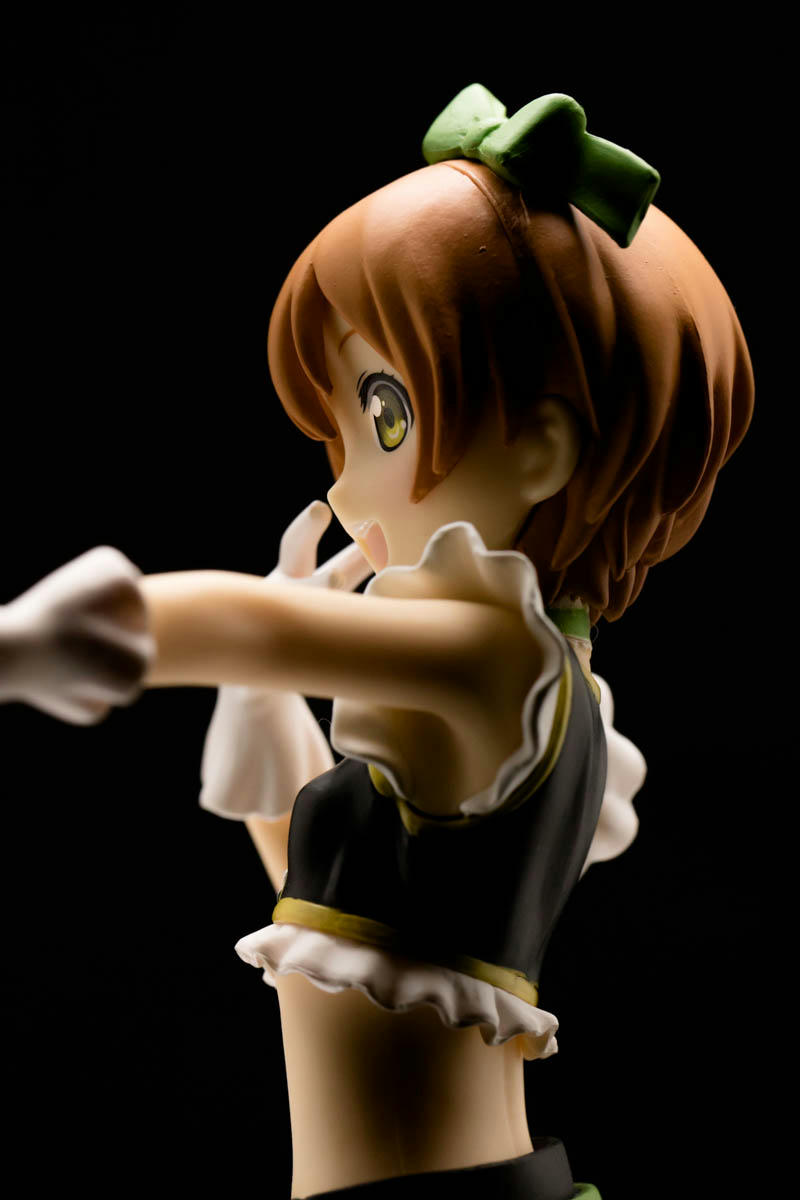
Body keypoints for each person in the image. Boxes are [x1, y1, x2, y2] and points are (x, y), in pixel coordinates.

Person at [3, 86, 754, 1198]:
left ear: (541, 449)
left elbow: (236, 624)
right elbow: (338, 909)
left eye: (386, 416)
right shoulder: (525, 694)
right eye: (341, 429)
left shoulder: (492, 660)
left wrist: (45, 639)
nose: (348, 484)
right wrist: (264, 701)